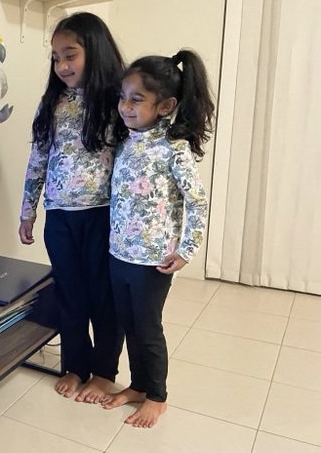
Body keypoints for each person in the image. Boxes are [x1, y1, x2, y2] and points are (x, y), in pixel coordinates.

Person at [102, 49, 215, 428]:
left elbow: (197, 202)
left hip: (154, 260)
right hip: (119, 254)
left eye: (137, 100)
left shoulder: (174, 148)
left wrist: (186, 250)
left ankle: (157, 396)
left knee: (148, 328)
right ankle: (137, 385)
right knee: (128, 323)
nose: (126, 107)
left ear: (165, 105)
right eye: (123, 97)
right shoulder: (127, 140)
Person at [18, 12, 126, 403]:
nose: (62, 66)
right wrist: (28, 209)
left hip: (103, 216)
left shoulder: (119, 101)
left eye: (71, 55)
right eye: (55, 57)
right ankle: (75, 366)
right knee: (70, 293)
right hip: (60, 216)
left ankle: (102, 372)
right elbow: (38, 158)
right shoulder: (52, 103)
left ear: (94, 51)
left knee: (104, 296)